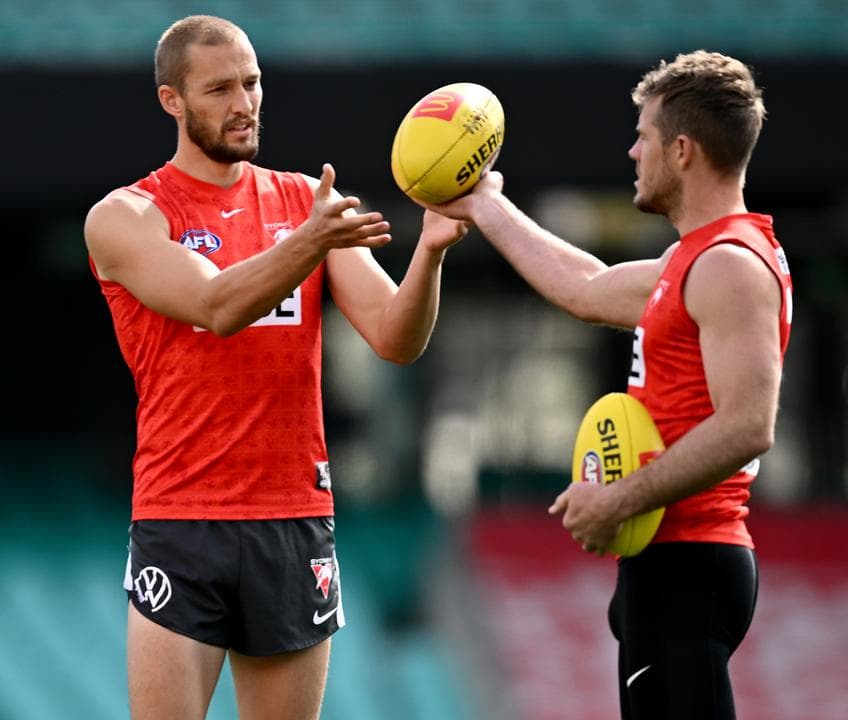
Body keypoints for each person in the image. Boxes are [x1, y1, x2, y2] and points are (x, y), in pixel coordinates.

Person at [83, 15, 468, 720]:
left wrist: (431, 251)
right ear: (172, 100)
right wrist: (311, 241)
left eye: (253, 83)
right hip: (183, 516)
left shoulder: (302, 202)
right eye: (220, 88)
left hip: (294, 517)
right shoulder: (128, 214)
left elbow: (394, 336)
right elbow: (213, 304)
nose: (245, 103)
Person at [426, 51, 791, 719]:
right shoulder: (696, 260)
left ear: (681, 151)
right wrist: (484, 204)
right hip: (670, 565)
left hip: (692, 562)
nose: (631, 152)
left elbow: (749, 424)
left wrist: (620, 497)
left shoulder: (729, 266)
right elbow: (587, 287)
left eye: (644, 137)